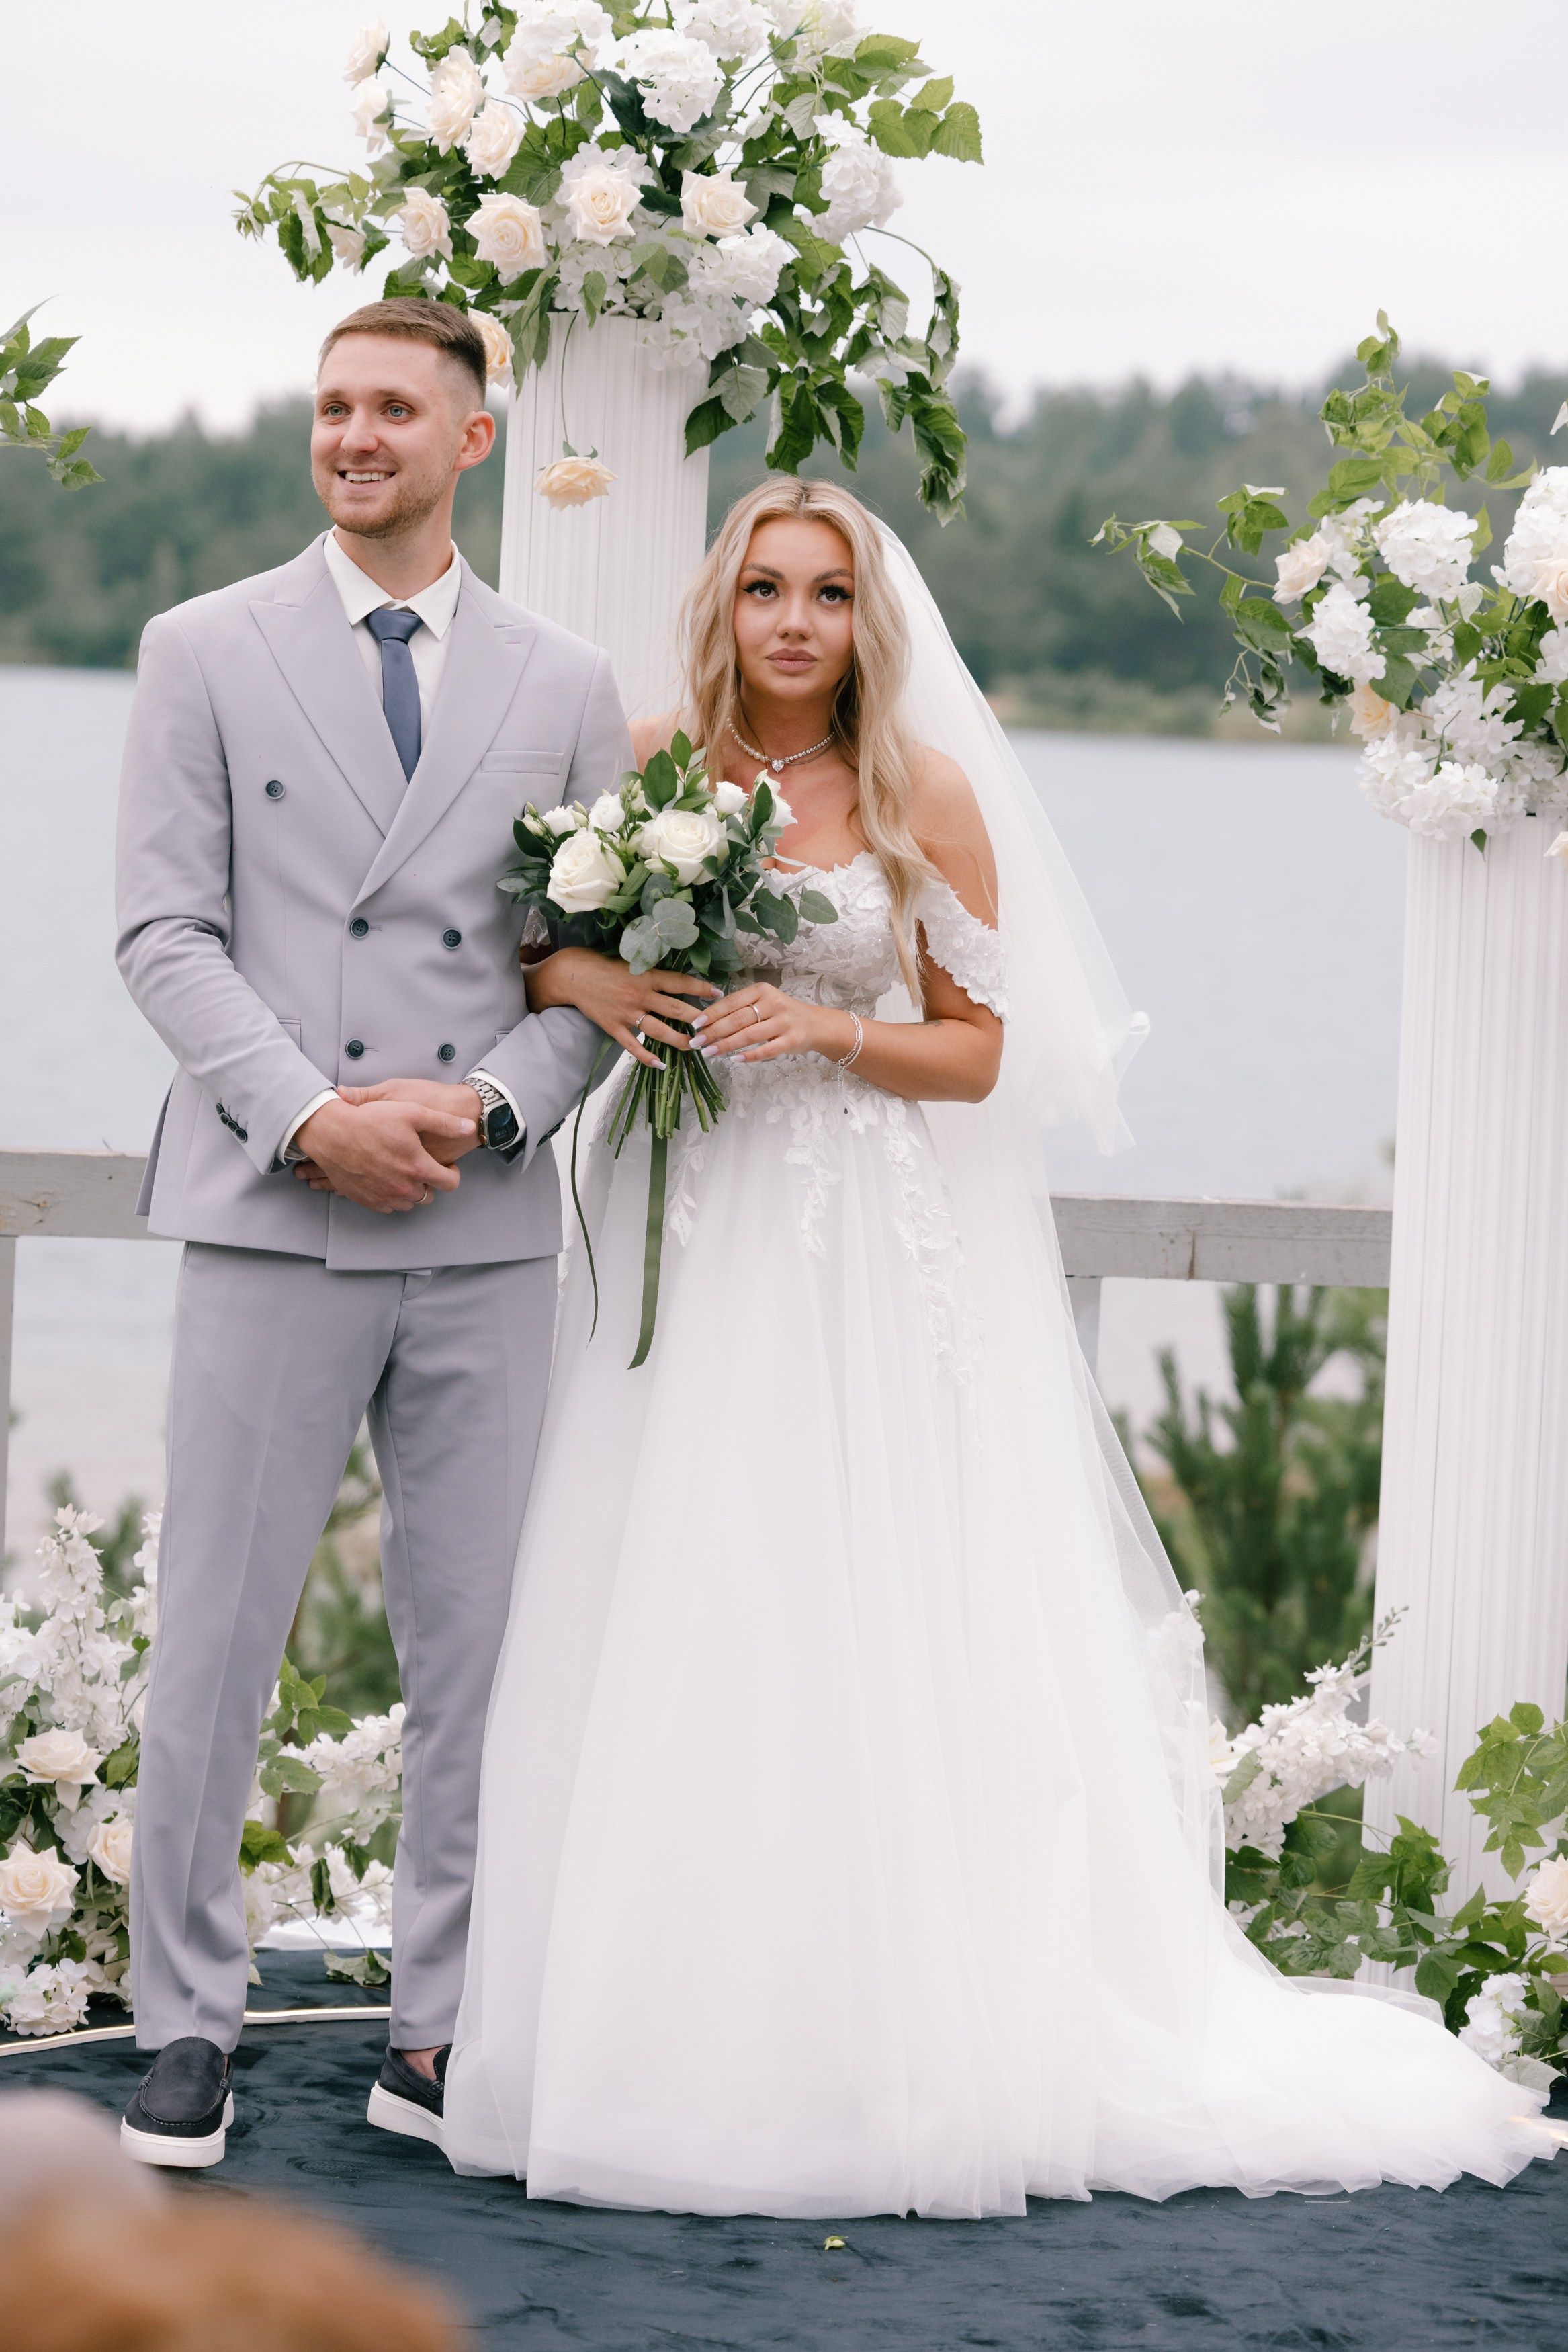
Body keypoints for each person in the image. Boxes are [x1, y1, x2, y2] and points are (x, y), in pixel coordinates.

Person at [439, 478, 1563, 2216]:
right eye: (766, 590)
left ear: (865, 622)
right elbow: (539, 954)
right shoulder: (652, 759)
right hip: (699, 1221)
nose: (795, 623)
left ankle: (883, 2032)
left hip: (859, 1242)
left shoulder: (920, 795)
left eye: (825, 594)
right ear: (723, 606)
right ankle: (664, 2017)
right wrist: (604, 994)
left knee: (867, 1596)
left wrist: (822, 1023)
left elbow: (982, 1052)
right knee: (678, 1587)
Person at [114, 297, 625, 2167]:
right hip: (269, 1206)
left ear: (470, 440)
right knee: (216, 1642)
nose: (354, 434)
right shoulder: (201, 650)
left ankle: (442, 2027)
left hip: (481, 1223)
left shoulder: (566, 684)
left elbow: (596, 966)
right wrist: (316, 1113)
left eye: (395, 407)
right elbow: (164, 930)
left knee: (479, 1644)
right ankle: (186, 2020)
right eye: (333, 404)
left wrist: (490, 1107)